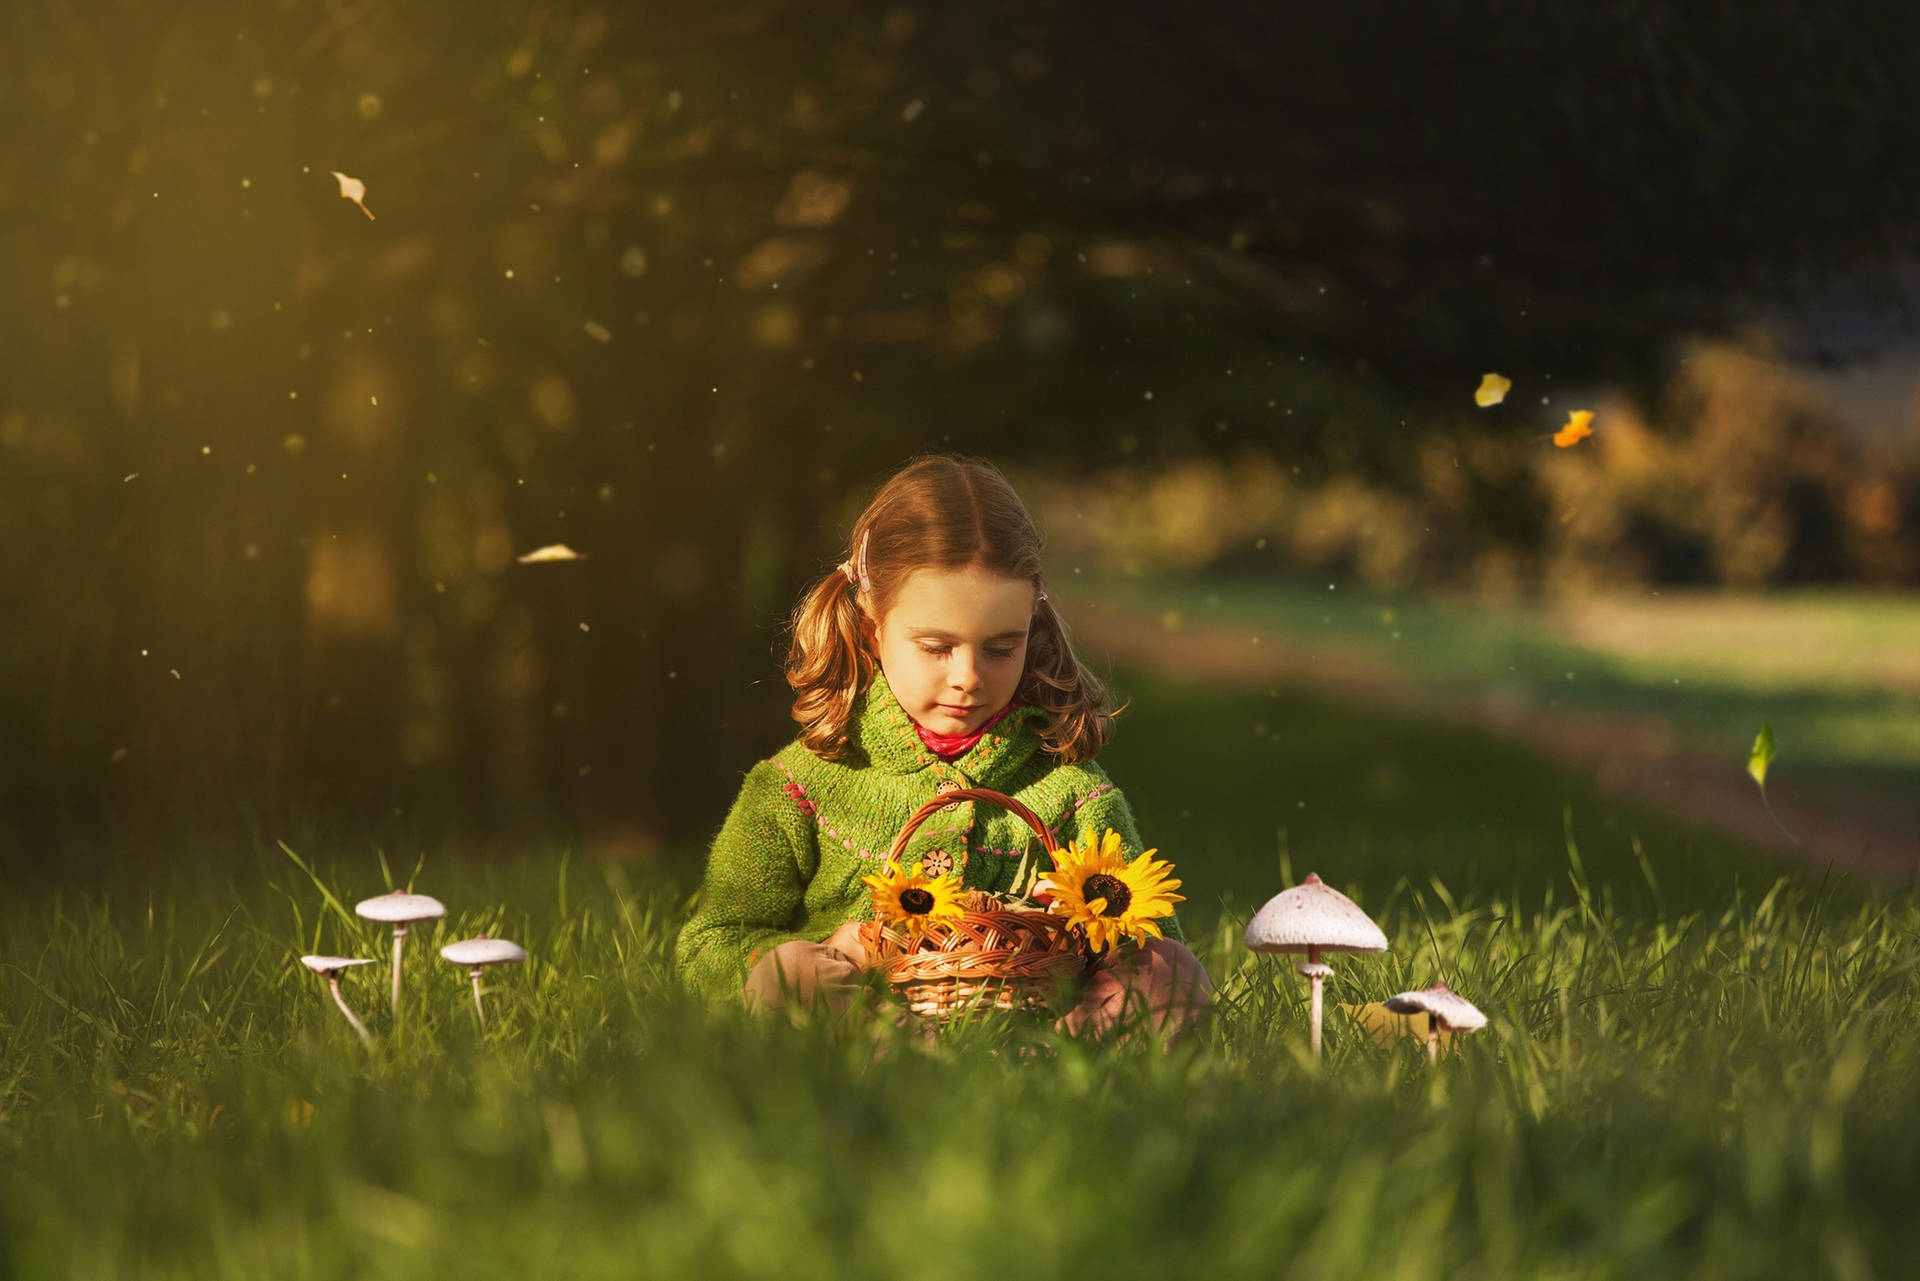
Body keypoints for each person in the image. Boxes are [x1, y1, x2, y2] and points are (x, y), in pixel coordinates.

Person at [673, 454, 1213, 1041]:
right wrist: (828, 948)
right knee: (784, 977)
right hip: (865, 1025)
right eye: (936, 646)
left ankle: (1044, 1063)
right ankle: (909, 1058)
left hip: (1039, 1024)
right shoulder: (796, 788)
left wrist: (1082, 935)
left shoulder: (1073, 794)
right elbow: (709, 947)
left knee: (1174, 972)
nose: (969, 676)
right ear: (870, 628)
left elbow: (1154, 945)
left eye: (1001, 648)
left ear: (1034, 626)